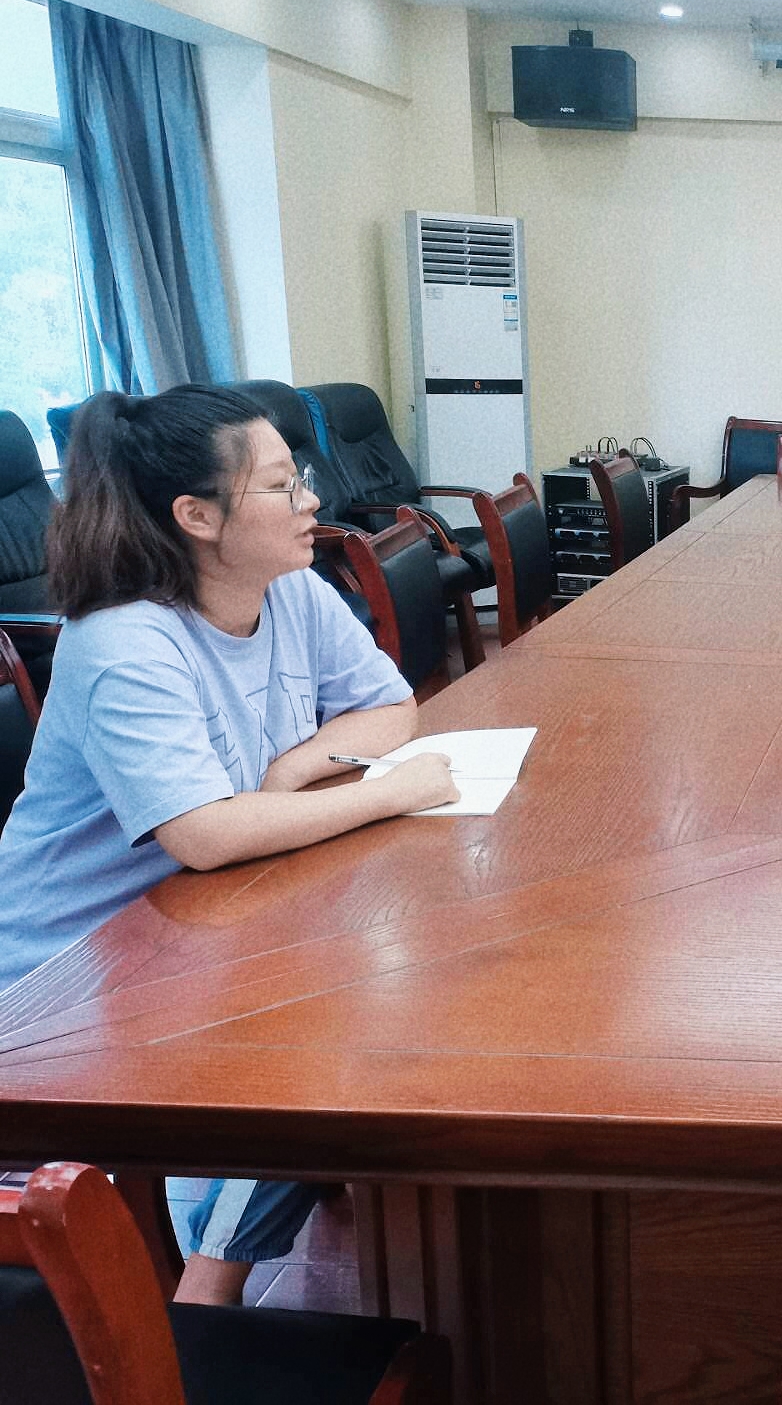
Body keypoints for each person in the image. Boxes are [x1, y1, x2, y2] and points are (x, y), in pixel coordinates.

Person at [0, 385, 458, 1304]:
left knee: (366, 975)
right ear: (197, 516)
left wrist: (291, 769)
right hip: (74, 972)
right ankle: (208, 1287)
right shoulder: (125, 642)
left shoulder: (289, 588)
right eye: (283, 486)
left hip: (200, 916)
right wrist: (385, 794)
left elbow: (389, 705)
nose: (312, 501)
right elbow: (205, 833)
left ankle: (290, 1189)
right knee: (328, 1019)